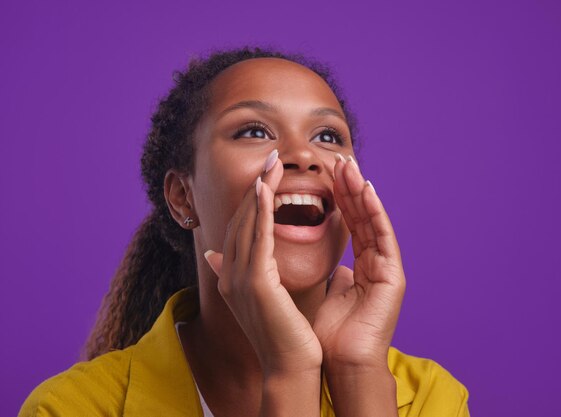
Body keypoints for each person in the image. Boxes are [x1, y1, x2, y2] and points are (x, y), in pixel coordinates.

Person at [19, 47, 470, 417]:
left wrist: (357, 374)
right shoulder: (69, 408)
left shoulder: (432, 400)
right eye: (255, 130)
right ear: (182, 198)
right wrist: (289, 371)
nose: (305, 156)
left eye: (328, 137)